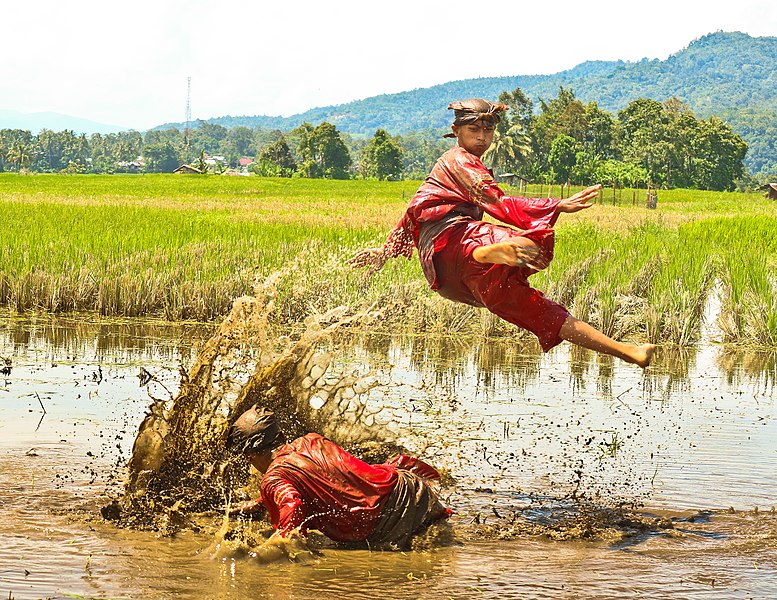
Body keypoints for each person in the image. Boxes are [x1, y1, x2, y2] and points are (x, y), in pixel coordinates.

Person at [349, 98, 655, 368]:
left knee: (545, 313)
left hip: (453, 279)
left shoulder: (448, 168)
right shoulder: (459, 161)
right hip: (452, 243)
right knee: (500, 239)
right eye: (474, 131)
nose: (482, 138)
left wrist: (384, 252)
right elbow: (498, 202)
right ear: (456, 131)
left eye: (488, 132)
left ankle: (628, 352)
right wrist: (557, 205)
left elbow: (412, 211)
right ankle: (488, 252)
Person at [225, 405, 451, 549]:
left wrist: (282, 546)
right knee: (438, 536)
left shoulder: (273, 477)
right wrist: (261, 502)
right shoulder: (312, 440)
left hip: (391, 520)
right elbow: (331, 480)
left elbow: (292, 503)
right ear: (281, 435)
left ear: (250, 455)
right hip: (409, 486)